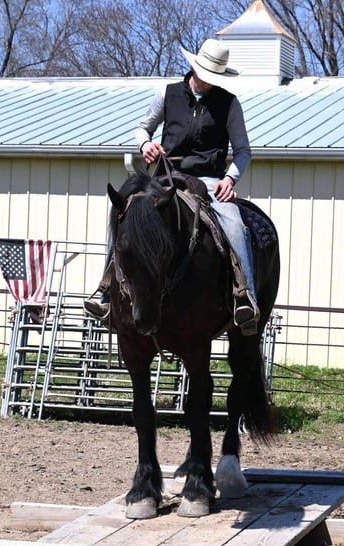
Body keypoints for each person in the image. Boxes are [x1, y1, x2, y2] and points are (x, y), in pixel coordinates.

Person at [85, 38, 259, 333]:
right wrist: (146, 145)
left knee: (235, 225)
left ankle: (245, 297)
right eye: (205, 74)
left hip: (208, 180)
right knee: (123, 215)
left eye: (214, 76)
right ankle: (105, 291)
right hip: (165, 176)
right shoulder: (168, 94)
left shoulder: (229, 104)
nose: (208, 81)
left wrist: (230, 179)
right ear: (194, 67)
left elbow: (243, 151)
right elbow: (143, 128)